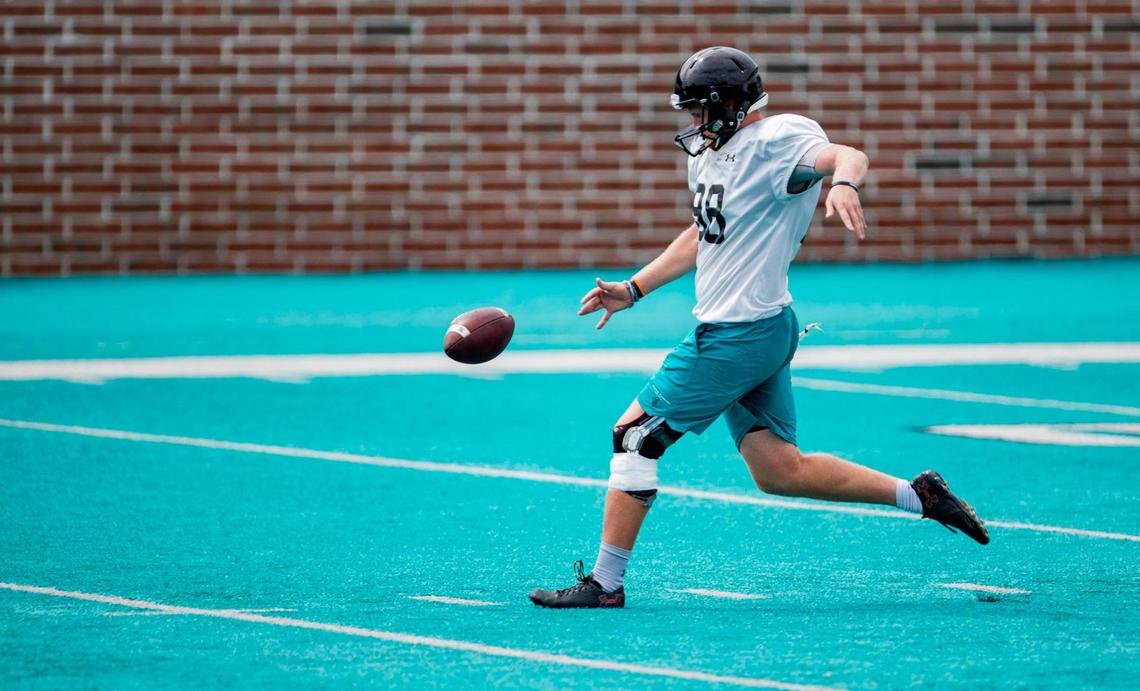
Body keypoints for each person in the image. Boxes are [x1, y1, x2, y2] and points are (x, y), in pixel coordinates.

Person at [528, 47, 989, 609]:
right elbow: (704, 232)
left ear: (729, 105)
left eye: (700, 110)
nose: (693, 123)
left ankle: (604, 584)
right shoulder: (708, 156)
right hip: (762, 328)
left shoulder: (776, 142)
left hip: (736, 334)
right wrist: (635, 288)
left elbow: (848, 154)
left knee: (633, 437)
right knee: (778, 470)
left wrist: (844, 184)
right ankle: (918, 496)